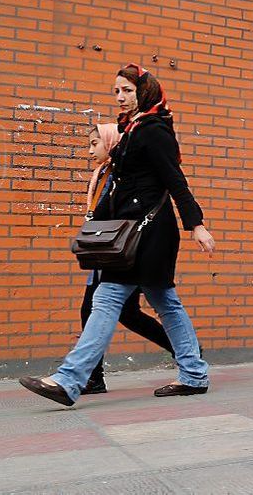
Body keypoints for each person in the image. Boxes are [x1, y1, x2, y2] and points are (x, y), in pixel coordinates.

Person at [20, 64, 214, 406]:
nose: (121, 97)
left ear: (145, 91)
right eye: (116, 91)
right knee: (165, 303)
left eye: (127, 90)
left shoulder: (153, 129)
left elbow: (175, 180)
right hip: (136, 232)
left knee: (109, 298)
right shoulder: (132, 130)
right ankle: (194, 373)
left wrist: (196, 224)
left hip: (148, 233)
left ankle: (69, 379)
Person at [79, 122, 175, 395]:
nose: (90, 151)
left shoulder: (121, 172)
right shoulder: (103, 173)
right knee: (128, 312)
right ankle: (184, 350)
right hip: (108, 250)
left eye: (94, 144)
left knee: (96, 309)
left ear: (110, 142)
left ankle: (92, 378)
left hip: (124, 250)